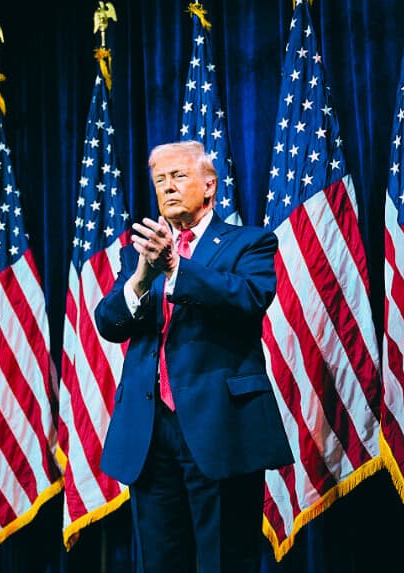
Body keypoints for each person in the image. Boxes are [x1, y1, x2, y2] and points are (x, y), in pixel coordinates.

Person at [95, 140, 294, 572]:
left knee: (225, 560)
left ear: (209, 186)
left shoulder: (249, 242)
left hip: (220, 427)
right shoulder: (139, 253)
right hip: (150, 433)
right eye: (160, 180)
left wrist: (177, 269)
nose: (167, 187)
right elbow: (109, 323)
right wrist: (143, 277)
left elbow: (249, 297)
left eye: (178, 176)